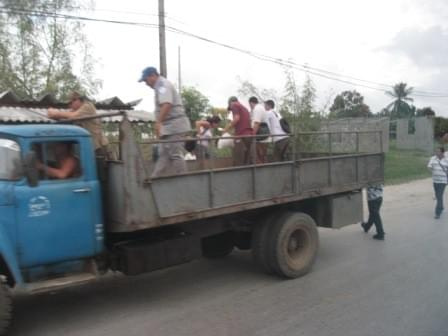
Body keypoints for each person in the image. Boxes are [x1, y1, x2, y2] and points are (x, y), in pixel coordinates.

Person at [138, 66, 191, 177]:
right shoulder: (159, 87)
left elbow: (167, 104)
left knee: (175, 154)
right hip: (168, 127)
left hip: (175, 126)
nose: (146, 84)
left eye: (146, 80)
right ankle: (155, 178)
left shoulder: (162, 85)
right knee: (163, 154)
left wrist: (158, 123)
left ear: (153, 76)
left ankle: (184, 182)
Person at [47, 91, 109, 157]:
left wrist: (56, 113)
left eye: (71, 103)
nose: (69, 105)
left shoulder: (87, 106)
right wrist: (54, 115)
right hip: (90, 146)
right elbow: (65, 118)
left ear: (77, 100)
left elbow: (73, 116)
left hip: (98, 147)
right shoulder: (76, 111)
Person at [223, 96, 254, 166]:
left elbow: (236, 118)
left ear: (230, 103)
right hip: (249, 135)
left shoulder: (234, 105)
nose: (231, 110)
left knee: (238, 158)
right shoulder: (245, 108)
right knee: (247, 159)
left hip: (241, 136)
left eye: (230, 109)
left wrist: (226, 129)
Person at [427, 147, 448, 219]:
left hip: (443, 181)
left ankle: (437, 213)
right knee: (437, 195)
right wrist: (431, 170)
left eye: (438, 152)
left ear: (442, 152)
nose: (436, 153)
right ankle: (441, 207)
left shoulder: (446, 159)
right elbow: (429, 166)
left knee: (439, 196)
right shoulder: (433, 158)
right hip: (435, 180)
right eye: (436, 151)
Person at [248, 97, 269, 163]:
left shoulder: (257, 108)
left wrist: (252, 136)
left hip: (260, 138)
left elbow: (256, 123)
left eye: (249, 104)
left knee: (259, 157)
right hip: (263, 137)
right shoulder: (260, 108)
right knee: (262, 157)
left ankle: (261, 172)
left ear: (251, 103)